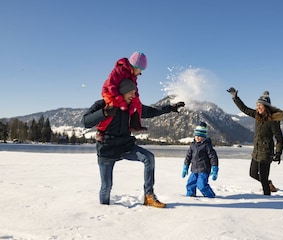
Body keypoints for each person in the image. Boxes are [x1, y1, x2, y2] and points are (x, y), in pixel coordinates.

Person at [82, 79, 185, 208]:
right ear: (122, 91)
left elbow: (151, 111)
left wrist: (169, 108)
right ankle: (103, 209)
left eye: (134, 92)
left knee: (149, 157)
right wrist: (104, 113)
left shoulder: (132, 107)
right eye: (130, 92)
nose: (133, 95)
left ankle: (149, 196)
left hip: (126, 146)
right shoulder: (104, 104)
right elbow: (85, 122)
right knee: (106, 186)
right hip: (107, 149)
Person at [227, 87, 283, 195]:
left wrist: (278, 153)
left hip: (266, 153)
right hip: (256, 151)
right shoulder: (257, 115)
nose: (258, 107)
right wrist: (235, 97)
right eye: (257, 105)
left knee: (263, 178)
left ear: (266, 107)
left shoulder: (273, 121)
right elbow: (244, 109)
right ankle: (269, 183)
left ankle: (268, 198)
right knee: (253, 174)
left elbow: (279, 138)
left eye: (260, 105)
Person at [98, 51, 147, 133]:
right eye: (140, 69)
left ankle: (135, 124)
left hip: (120, 93)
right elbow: (111, 85)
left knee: (138, 104)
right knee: (113, 106)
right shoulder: (119, 70)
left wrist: (136, 99)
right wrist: (120, 100)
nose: (140, 73)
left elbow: (135, 89)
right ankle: (101, 130)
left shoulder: (133, 76)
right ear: (135, 66)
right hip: (109, 92)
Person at [182, 122, 219, 198]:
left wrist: (214, 168)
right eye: (196, 135)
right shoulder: (192, 145)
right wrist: (185, 166)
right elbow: (188, 156)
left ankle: (210, 196)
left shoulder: (207, 146)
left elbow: (213, 157)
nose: (197, 137)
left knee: (201, 185)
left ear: (204, 136)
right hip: (194, 169)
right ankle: (190, 196)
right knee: (190, 183)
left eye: (200, 136)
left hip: (204, 169)